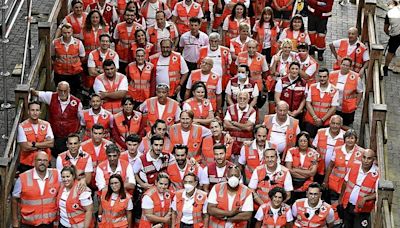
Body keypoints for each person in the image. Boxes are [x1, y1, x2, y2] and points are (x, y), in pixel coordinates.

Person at [31, 81, 82, 156]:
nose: (63, 93)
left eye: (65, 91)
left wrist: (77, 131)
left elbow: (81, 118)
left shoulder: (77, 103)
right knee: (56, 154)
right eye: (61, 91)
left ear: (69, 90)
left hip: (70, 136)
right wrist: (30, 90)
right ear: (57, 90)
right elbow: (36, 93)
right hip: (55, 135)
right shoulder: (51, 96)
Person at [12, 151, 60, 228]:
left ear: (48, 163)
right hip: (28, 224)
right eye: (39, 160)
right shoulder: (22, 178)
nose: (42, 162)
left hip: (49, 223)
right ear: (34, 162)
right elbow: (14, 199)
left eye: (45, 160)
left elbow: (70, 178)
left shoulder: (57, 174)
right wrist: (15, 220)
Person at [323, 129, 364, 216]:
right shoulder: (337, 149)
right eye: (348, 138)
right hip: (335, 184)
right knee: (334, 205)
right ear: (344, 139)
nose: (350, 140)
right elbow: (331, 165)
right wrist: (325, 180)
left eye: (352, 138)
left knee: (344, 206)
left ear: (356, 140)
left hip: (349, 186)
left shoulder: (361, 152)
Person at [339, 149, 379, 228]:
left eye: (369, 158)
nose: (366, 161)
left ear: (373, 160)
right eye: (364, 157)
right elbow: (345, 182)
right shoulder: (354, 166)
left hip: (363, 210)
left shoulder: (377, 174)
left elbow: (378, 193)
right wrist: (341, 198)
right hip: (348, 205)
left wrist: (365, 198)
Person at [17, 101, 54, 172]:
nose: (35, 112)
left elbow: (51, 144)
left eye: (37, 110)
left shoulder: (46, 124)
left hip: (45, 162)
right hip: (27, 164)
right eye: (32, 110)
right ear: (28, 111)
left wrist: (33, 144)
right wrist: (44, 144)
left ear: (40, 112)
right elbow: (25, 147)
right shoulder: (22, 126)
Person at [51, 23, 85, 96]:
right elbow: (53, 56)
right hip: (60, 73)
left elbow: (82, 56)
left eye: (69, 32)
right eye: (64, 33)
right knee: (60, 93)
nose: (67, 35)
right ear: (61, 32)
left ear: (72, 32)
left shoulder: (79, 43)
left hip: (74, 73)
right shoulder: (55, 43)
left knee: (74, 92)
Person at [329, 57, 364, 128]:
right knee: (334, 125)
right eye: (343, 64)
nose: (345, 67)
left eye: (347, 65)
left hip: (348, 108)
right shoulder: (332, 74)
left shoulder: (356, 77)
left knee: (346, 126)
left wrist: (356, 104)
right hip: (333, 106)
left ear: (350, 67)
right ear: (340, 64)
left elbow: (360, 92)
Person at [304, 68, 339, 138]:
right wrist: (315, 118)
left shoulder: (334, 90)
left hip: (326, 122)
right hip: (311, 121)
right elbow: (308, 103)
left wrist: (322, 120)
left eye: (324, 76)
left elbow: (333, 108)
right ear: (317, 77)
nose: (322, 78)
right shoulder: (312, 87)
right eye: (320, 76)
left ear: (328, 77)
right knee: (309, 141)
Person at [284, 132, 319, 203]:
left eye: (305, 141)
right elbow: (289, 170)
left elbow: (312, 173)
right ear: (297, 141)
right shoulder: (291, 151)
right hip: (292, 180)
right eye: (301, 141)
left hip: (307, 182)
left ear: (308, 142)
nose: (303, 143)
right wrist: (307, 173)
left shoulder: (314, 153)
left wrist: (295, 169)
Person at [312, 115, 345, 183]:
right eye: (333, 123)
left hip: (335, 172)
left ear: (341, 125)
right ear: (329, 123)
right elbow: (314, 148)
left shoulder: (345, 136)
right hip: (319, 168)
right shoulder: (320, 132)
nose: (335, 126)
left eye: (337, 124)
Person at [224, 91, 256, 159]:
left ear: (248, 99)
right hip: (231, 143)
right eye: (240, 98)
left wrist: (235, 123)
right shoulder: (230, 108)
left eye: (244, 99)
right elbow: (226, 125)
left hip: (245, 144)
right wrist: (243, 126)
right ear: (237, 99)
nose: (242, 101)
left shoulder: (252, 111)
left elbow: (249, 128)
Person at [268, 39, 296, 113]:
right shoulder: (275, 57)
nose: (287, 49)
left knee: (284, 102)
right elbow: (272, 72)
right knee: (272, 103)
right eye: (285, 47)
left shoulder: (293, 58)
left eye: (289, 47)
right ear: (282, 48)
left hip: (286, 83)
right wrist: (275, 62)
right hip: (275, 82)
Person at [114, 8, 145, 73]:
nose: (129, 17)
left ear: (135, 16)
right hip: (121, 57)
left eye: (131, 15)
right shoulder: (118, 26)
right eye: (127, 15)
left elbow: (143, 41)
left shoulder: (140, 27)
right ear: (124, 16)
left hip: (134, 57)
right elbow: (115, 39)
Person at [383, 0, 400, 76]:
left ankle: (385, 67)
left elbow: (385, 29)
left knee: (390, 52)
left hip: (395, 35)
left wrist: (389, 33)